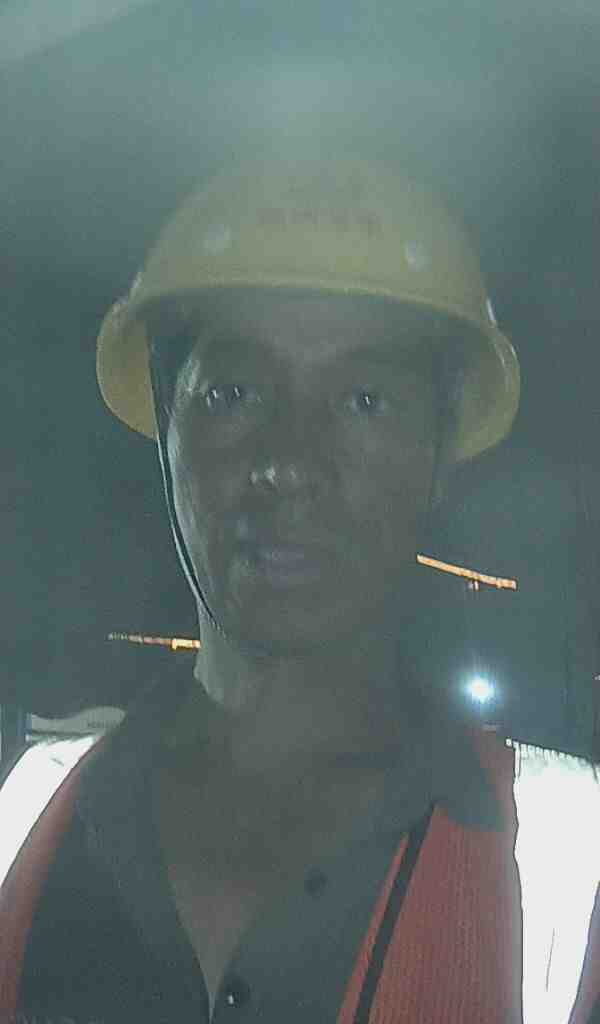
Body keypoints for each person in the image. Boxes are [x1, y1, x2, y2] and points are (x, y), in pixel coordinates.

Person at [2, 153, 600, 1024]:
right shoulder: (21, 817)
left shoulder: (568, 863)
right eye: (234, 392)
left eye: (365, 401)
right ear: (165, 423)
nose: (289, 461)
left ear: (440, 454)